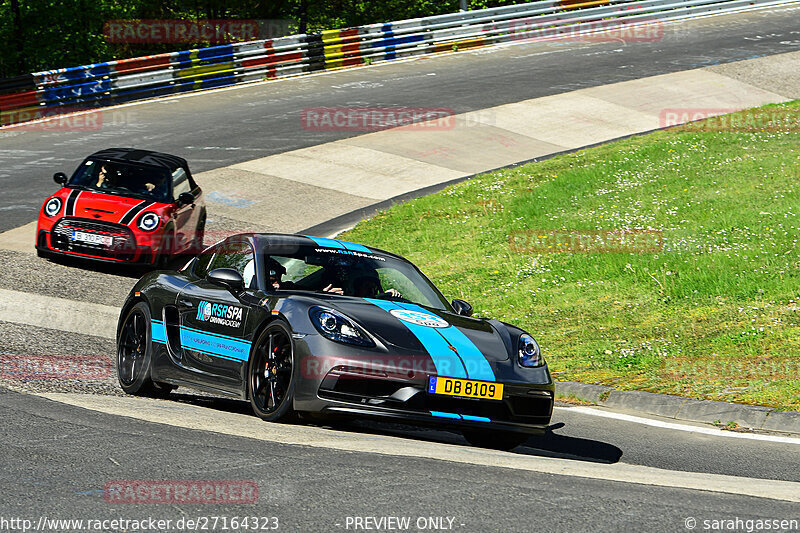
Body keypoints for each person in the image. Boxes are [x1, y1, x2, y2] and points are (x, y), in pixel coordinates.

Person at [267, 257, 343, 294]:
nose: (277, 285)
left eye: (278, 280)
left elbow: (310, 295)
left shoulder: (289, 288)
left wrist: (324, 294)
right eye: (271, 282)